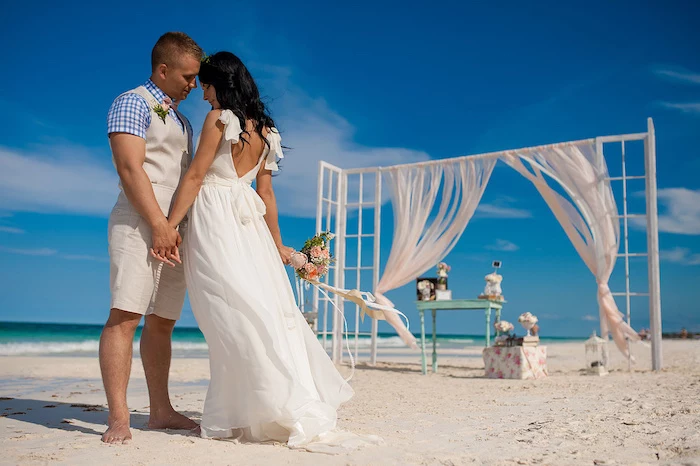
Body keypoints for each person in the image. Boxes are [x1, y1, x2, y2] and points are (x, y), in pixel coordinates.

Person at [161, 51, 368, 449]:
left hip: (215, 220)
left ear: (221, 83)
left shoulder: (218, 120)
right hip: (251, 227)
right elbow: (267, 194)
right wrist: (277, 246)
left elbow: (196, 176)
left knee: (226, 313)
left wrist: (169, 227)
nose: (203, 94)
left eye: (205, 85)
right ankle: (257, 403)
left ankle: (261, 404)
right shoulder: (268, 132)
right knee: (255, 309)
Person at [100, 32, 202, 444]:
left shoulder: (183, 120)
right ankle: (119, 417)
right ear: (163, 70)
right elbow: (130, 168)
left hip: (173, 229)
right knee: (125, 315)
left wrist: (174, 227)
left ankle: (159, 411)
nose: (193, 84)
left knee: (163, 321)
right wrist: (160, 224)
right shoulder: (132, 101)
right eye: (187, 76)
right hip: (139, 223)